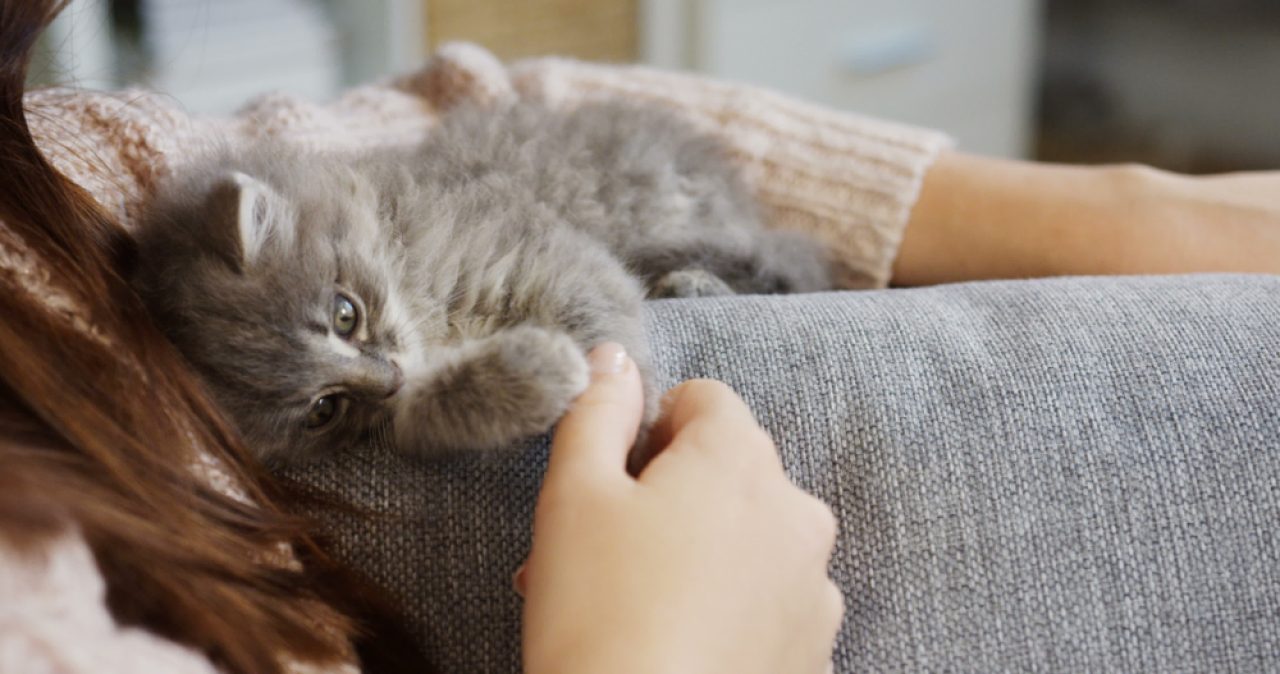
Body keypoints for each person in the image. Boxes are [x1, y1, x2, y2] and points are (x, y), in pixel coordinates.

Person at [3, 1, 1279, 673]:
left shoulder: (70, 167)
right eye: (341, 395)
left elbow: (489, 103)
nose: (382, 371)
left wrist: (1129, 206)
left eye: (348, 326)